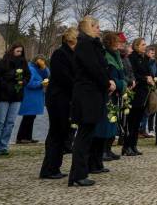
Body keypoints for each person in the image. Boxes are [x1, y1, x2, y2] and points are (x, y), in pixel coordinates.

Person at [68, 16, 113, 187]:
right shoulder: (85, 45)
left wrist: (108, 81)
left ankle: (80, 172)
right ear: (89, 27)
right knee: (84, 135)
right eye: (97, 27)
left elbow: (100, 67)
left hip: (92, 94)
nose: (99, 30)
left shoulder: (90, 45)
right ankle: (78, 174)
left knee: (87, 134)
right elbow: (94, 68)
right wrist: (107, 82)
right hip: (87, 95)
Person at [40, 27, 76, 179]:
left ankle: (55, 166)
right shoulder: (60, 54)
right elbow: (63, 77)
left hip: (65, 98)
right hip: (58, 98)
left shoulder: (71, 55)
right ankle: (49, 168)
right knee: (56, 133)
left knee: (62, 133)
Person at [95, 31, 127, 166]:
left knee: (112, 121)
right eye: (116, 42)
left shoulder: (116, 56)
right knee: (106, 122)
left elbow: (121, 75)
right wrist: (121, 84)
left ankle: (108, 149)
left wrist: (123, 83)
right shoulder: (107, 57)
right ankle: (103, 150)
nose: (119, 44)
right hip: (108, 93)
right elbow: (111, 77)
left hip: (115, 93)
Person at [0, 42, 27, 156]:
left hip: (16, 96)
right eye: (17, 51)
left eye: (21, 51)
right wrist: (12, 76)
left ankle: (4, 145)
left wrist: (23, 81)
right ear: (12, 51)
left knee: (10, 122)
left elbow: (27, 75)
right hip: (3, 96)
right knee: (0, 122)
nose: (19, 53)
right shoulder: (3, 62)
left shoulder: (23, 63)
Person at [122, 38, 151, 156]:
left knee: (137, 121)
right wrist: (145, 78)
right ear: (136, 46)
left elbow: (148, 72)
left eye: (145, 44)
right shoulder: (132, 58)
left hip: (143, 93)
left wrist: (150, 77)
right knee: (131, 121)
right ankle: (126, 146)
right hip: (134, 93)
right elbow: (133, 74)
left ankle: (133, 145)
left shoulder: (144, 58)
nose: (145, 46)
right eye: (143, 44)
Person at [16, 54, 50, 144]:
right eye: (40, 61)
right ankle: (21, 137)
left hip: (35, 97)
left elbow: (47, 75)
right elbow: (29, 83)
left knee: (31, 117)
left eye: (43, 61)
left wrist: (44, 67)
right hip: (30, 97)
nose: (42, 62)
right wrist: (41, 83)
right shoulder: (31, 69)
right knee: (27, 117)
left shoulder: (39, 69)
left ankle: (28, 137)